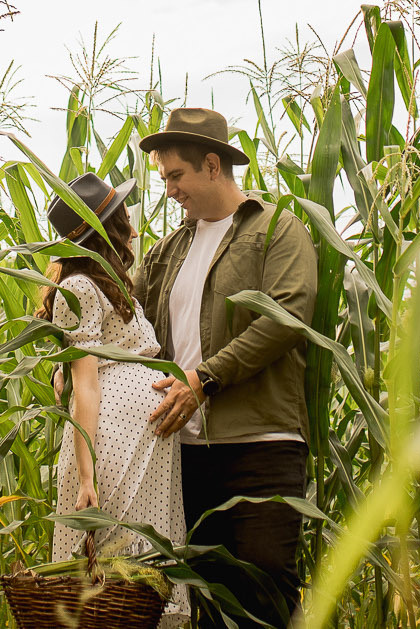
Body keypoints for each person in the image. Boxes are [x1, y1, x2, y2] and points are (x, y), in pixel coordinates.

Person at [136, 108, 318, 629]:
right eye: (165, 177)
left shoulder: (277, 229)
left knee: (265, 587)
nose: (170, 190)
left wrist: (203, 379)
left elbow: (285, 319)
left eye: (176, 175)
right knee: (208, 599)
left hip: (262, 443)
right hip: (188, 451)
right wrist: (68, 331)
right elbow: (127, 318)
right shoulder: (169, 250)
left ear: (212, 165)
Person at [41, 171, 190, 627]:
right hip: (111, 447)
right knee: (112, 576)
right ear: (108, 227)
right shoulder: (82, 287)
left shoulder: (109, 282)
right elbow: (87, 384)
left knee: (136, 575)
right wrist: (86, 476)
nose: (130, 216)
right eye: (120, 212)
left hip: (141, 445)